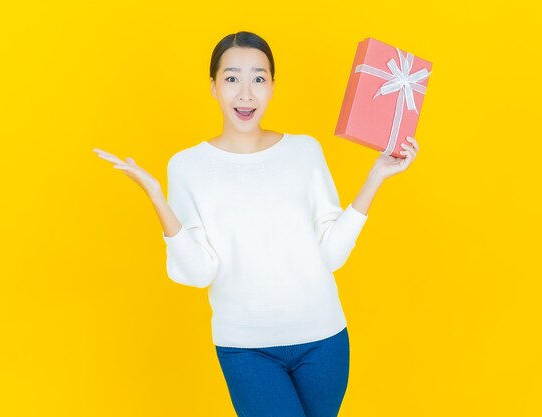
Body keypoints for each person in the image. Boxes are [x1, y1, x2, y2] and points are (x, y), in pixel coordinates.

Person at [93, 30, 419, 417]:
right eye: (231, 78)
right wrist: (157, 198)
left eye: (258, 78)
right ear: (213, 86)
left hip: (324, 341)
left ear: (272, 86)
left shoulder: (304, 151)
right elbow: (198, 272)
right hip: (246, 349)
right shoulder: (186, 166)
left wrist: (376, 177)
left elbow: (330, 254)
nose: (245, 93)